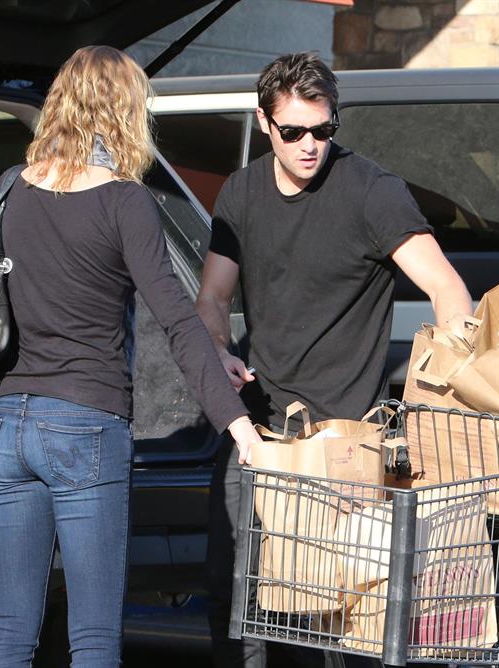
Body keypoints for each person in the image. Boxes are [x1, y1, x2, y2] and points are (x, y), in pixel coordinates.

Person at [0, 45, 261, 668]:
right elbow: (177, 320)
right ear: (124, 111)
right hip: (84, 426)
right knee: (95, 637)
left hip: (8, 427)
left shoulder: (8, 190)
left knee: (11, 630)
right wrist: (239, 425)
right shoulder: (124, 201)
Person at [195, 52, 473, 668]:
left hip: (345, 440)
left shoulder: (372, 192)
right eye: (292, 131)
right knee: (237, 601)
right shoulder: (241, 192)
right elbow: (211, 297)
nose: (309, 145)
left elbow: (448, 289)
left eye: (323, 130)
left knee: (333, 622)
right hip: (262, 432)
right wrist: (216, 348)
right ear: (265, 123)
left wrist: (455, 388)